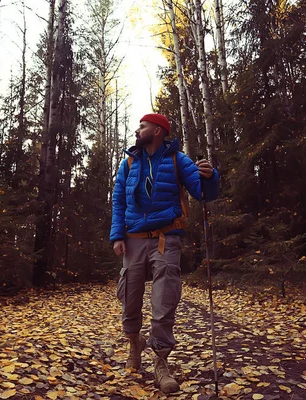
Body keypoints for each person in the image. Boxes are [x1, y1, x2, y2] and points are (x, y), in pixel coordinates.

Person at [110, 113, 219, 393]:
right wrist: (117, 236)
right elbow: (119, 200)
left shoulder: (177, 159)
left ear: (158, 131)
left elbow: (203, 193)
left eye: (143, 126)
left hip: (165, 237)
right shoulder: (129, 162)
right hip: (132, 238)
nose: (138, 129)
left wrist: (209, 177)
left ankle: (160, 362)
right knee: (129, 296)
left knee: (164, 298)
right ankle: (135, 344)